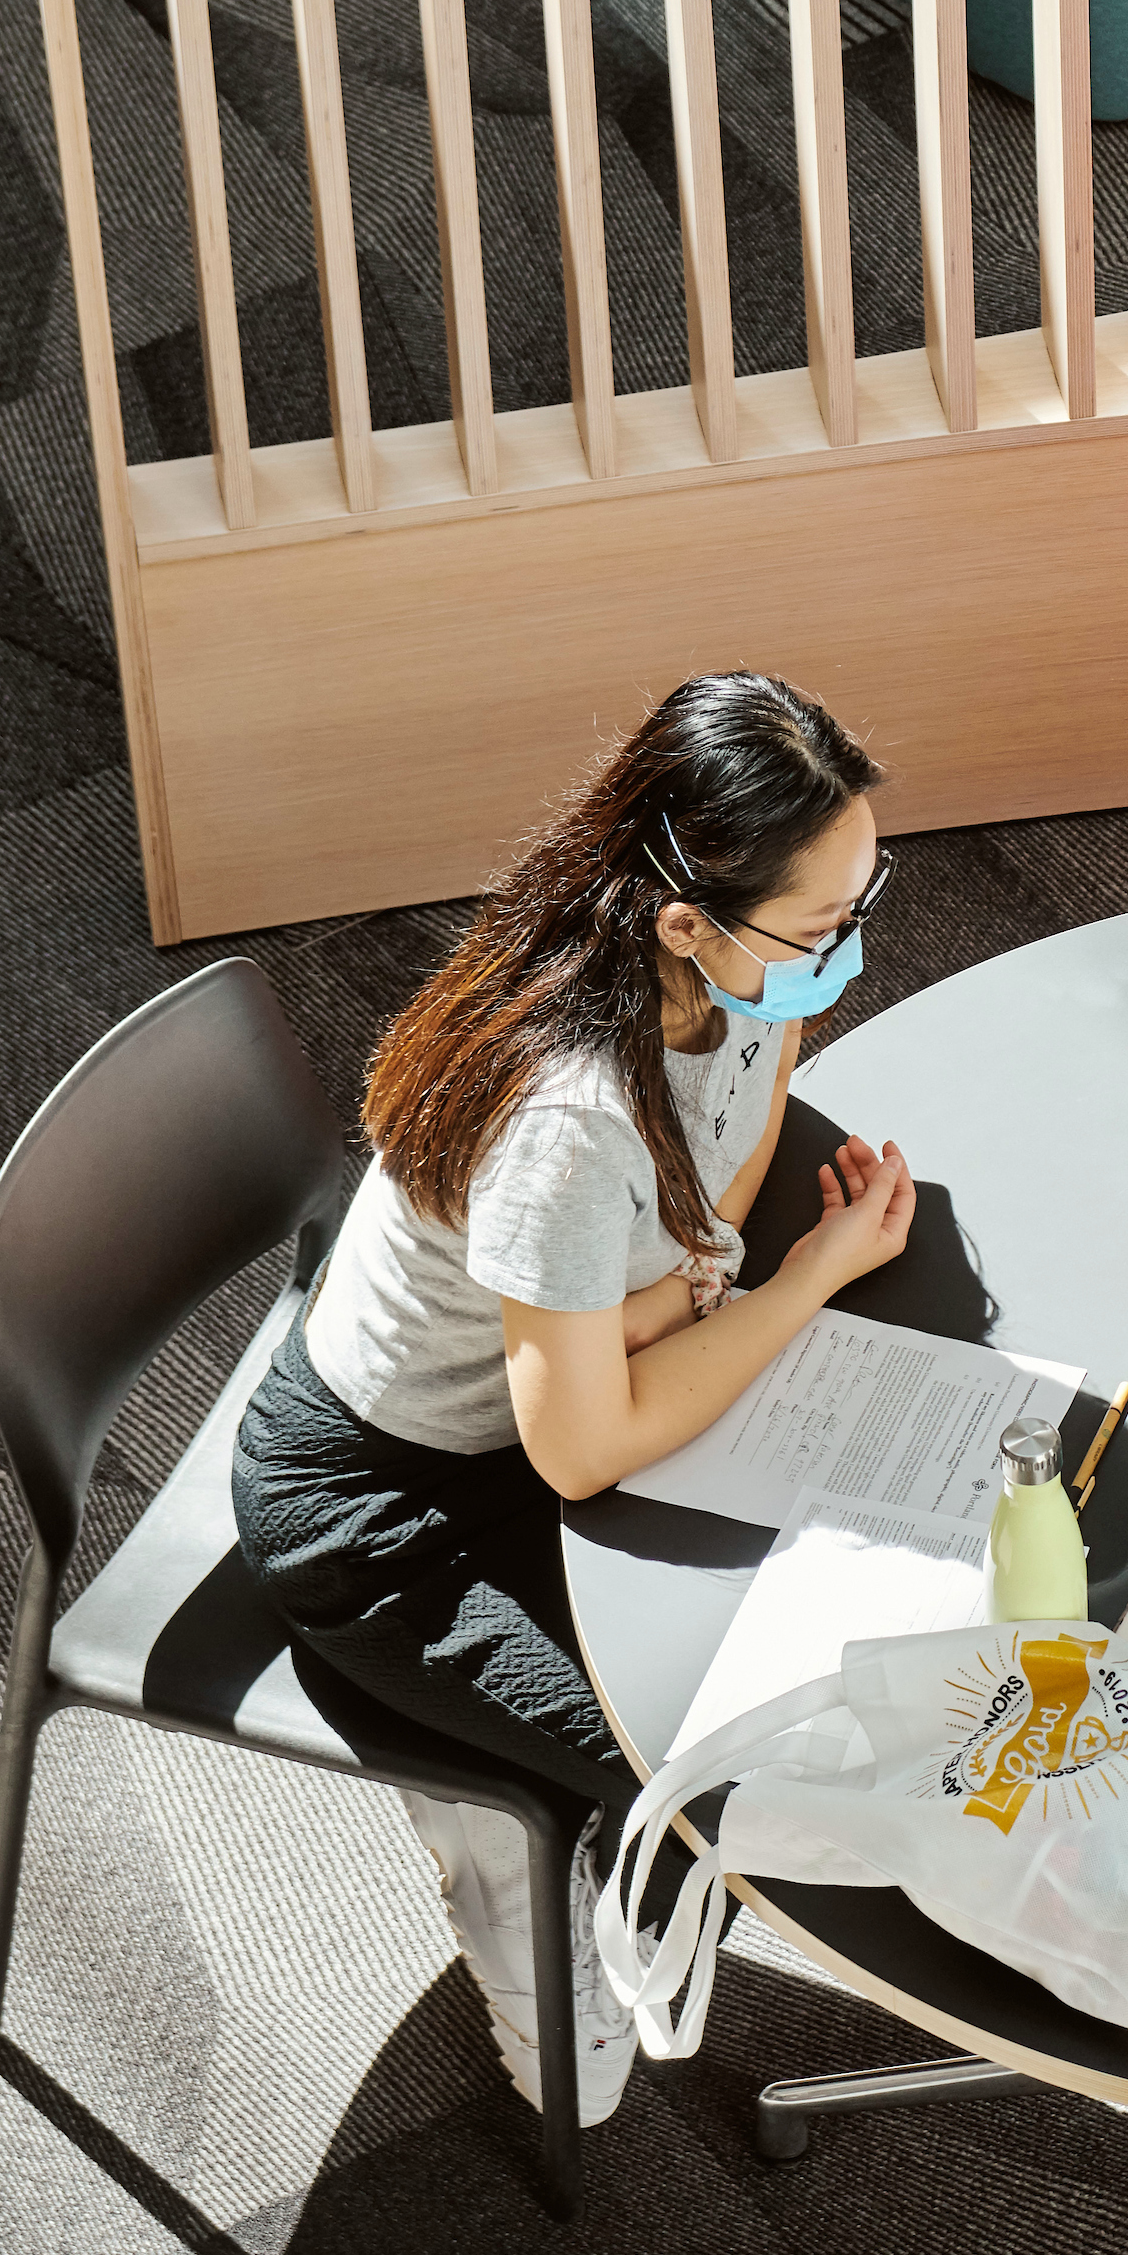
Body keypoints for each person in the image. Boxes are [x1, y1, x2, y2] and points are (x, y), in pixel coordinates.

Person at [232, 671, 917, 2125]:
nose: (844, 957)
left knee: (814, 1617)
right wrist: (798, 1278)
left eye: (863, 904)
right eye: (817, 931)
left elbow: (720, 1177)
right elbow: (586, 1443)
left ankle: (525, 1779)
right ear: (685, 914)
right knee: (687, 1762)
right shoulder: (570, 1116)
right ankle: (504, 1845)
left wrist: (694, 1288)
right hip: (385, 1502)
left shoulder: (719, 978)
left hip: (539, 1405)